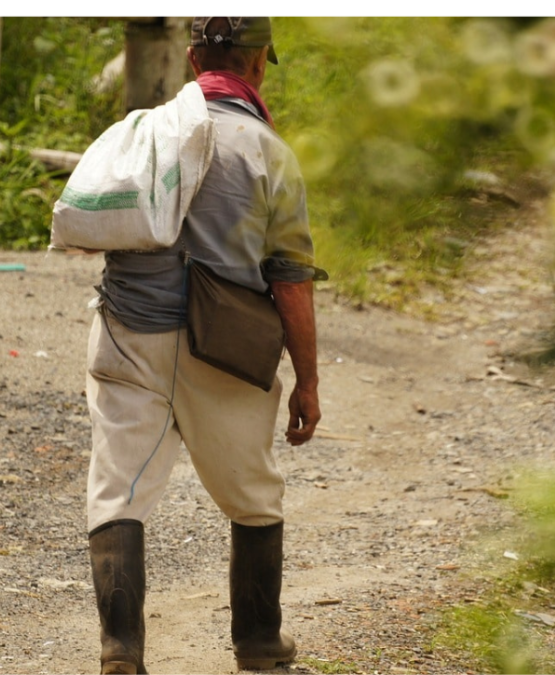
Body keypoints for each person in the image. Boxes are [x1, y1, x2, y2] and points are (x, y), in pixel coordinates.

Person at [84, 17, 324, 674]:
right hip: (224, 345)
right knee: (252, 492)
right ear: (257, 65)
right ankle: (256, 642)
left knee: (118, 491)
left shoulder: (145, 133)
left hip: (127, 330)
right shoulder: (268, 152)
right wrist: (308, 379)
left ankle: (120, 650)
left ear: (193, 59)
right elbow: (292, 282)